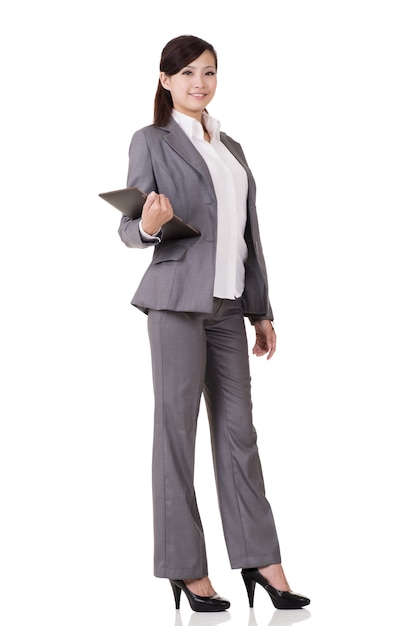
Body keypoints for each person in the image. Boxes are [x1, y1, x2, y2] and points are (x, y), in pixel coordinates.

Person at [118, 34, 310, 613]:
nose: (199, 83)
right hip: (176, 303)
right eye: (187, 74)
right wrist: (150, 225)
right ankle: (186, 570)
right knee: (176, 435)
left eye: (209, 72)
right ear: (165, 80)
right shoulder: (149, 141)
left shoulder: (233, 148)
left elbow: (250, 237)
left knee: (239, 434)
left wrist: (262, 310)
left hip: (229, 309)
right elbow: (128, 229)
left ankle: (260, 558)